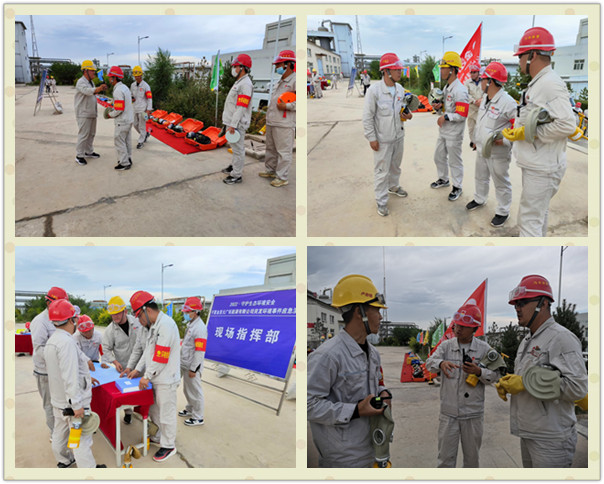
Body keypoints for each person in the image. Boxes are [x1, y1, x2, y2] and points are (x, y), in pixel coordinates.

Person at [496, 275, 588, 467]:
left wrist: (525, 383)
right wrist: (510, 383)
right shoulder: (527, 341)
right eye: (515, 304)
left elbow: (578, 388)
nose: (517, 308)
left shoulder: (561, 338)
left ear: (544, 303)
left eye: (522, 303)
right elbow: (528, 376)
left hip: (552, 439)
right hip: (530, 431)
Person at [501, 27, 579, 237]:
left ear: (532, 55)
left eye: (520, 56)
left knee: (528, 222)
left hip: (543, 167)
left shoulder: (549, 84)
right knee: (538, 216)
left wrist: (529, 133)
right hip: (539, 163)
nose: (519, 61)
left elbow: (567, 125)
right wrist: (522, 129)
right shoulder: (540, 83)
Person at [308, 274, 392, 468]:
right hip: (343, 458)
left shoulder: (373, 354)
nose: (380, 317)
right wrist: (355, 410)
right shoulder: (328, 356)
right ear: (359, 312)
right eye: (376, 310)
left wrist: (384, 392)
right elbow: (308, 404)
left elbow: (375, 384)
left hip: (372, 446)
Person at [425, 304, 501, 468]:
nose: (458, 329)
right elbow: (429, 363)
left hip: (473, 415)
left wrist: (479, 372)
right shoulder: (446, 346)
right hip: (449, 414)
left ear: (474, 328)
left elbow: (496, 375)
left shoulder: (484, 349)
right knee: (445, 461)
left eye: (464, 326)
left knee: (472, 461)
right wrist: (441, 363)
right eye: (457, 325)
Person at [45, 299, 105, 468]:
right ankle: (89, 470)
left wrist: (87, 374)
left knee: (60, 433)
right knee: (81, 438)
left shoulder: (53, 340)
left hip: (58, 400)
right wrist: (77, 404)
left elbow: (61, 371)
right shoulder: (67, 343)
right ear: (71, 320)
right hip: (72, 404)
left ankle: (64, 460)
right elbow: (69, 375)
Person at [126, 291, 180, 462]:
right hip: (156, 378)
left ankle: (169, 445)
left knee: (166, 413)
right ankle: (158, 436)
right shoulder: (153, 327)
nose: (139, 321)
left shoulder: (166, 326)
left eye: (139, 317)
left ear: (147, 310)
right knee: (155, 411)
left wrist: (147, 376)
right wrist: (137, 369)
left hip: (166, 379)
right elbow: (147, 352)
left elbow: (161, 357)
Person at [465, 62, 517, 228]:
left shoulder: (508, 103)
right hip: (482, 147)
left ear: (491, 82)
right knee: (480, 176)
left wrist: (505, 141)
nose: (480, 82)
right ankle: (480, 198)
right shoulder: (486, 99)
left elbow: (518, 129)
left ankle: (503, 210)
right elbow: (481, 123)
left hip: (498, 152)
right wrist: (476, 140)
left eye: (483, 79)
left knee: (500, 181)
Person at [362, 52, 412, 217]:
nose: (400, 72)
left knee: (395, 166)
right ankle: (381, 201)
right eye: (396, 69)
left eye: (400, 69)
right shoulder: (374, 91)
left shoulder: (400, 89)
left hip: (398, 136)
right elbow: (367, 117)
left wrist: (407, 115)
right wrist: (372, 138)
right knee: (382, 171)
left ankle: (393, 186)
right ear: (386, 71)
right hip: (382, 140)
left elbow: (403, 109)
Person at [430, 51, 470, 202]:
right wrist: (439, 108)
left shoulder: (460, 90)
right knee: (438, 156)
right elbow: (447, 108)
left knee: (454, 161)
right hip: (444, 131)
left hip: (454, 133)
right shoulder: (447, 88)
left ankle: (457, 186)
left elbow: (462, 114)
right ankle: (443, 179)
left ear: (452, 70)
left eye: (443, 68)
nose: (441, 71)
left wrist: (446, 116)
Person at [30, 286, 69, 439]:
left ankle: (62, 431)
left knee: (61, 403)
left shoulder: (60, 318)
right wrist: (57, 358)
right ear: (48, 303)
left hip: (59, 370)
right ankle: (55, 435)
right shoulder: (40, 322)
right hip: (45, 372)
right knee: (50, 405)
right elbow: (39, 348)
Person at [258, 50, 296, 188]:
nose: (276, 67)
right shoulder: (280, 81)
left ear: (288, 64)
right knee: (271, 149)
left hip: (284, 123)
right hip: (272, 121)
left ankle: (282, 177)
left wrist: (287, 106)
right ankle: (270, 170)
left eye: (279, 64)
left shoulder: (295, 80)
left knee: (283, 152)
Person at [102, 295, 142, 424]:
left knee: (143, 390)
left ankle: (143, 413)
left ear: (125, 311)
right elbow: (106, 348)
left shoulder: (137, 322)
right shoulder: (110, 330)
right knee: (127, 392)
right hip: (124, 366)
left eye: (117, 313)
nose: (115, 317)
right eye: (112, 314)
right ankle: (128, 412)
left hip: (141, 364)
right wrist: (114, 361)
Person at [221, 54, 254, 185]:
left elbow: (241, 107)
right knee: (235, 148)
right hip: (232, 122)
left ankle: (236, 175)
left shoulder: (246, 84)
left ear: (242, 68)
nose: (233, 69)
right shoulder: (239, 82)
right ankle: (234, 166)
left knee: (239, 149)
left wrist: (233, 125)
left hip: (238, 123)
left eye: (235, 66)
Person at [178, 297, 207, 427]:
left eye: (187, 311)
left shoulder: (200, 328)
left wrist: (194, 368)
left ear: (195, 312)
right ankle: (190, 409)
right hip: (186, 363)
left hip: (192, 366)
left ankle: (198, 417)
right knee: (187, 390)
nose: (185, 313)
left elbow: (200, 351)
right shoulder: (191, 324)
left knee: (195, 392)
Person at [74, 60, 107, 166]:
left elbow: (92, 90)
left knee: (92, 133)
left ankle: (88, 151)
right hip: (83, 113)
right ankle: (79, 155)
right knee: (83, 134)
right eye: (92, 70)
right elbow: (87, 91)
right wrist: (98, 88)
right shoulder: (81, 82)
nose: (94, 72)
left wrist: (99, 89)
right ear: (86, 71)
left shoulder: (90, 82)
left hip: (91, 112)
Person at [106, 66, 134, 171]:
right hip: (128, 120)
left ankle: (124, 163)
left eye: (110, 77)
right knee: (126, 141)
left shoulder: (118, 90)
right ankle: (128, 158)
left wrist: (110, 115)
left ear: (114, 78)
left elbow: (119, 109)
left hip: (122, 121)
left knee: (119, 141)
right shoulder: (125, 87)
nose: (109, 79)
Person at [130, 65, 153, 149]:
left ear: (141, 75)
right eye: (135, 76)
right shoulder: (132, 85)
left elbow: (149, 98)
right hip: (135, 107)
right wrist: (131, 98)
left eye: (138, 75)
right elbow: (131, 95)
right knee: (135, 124)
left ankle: (141, 141)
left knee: (142, 126)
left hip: (143, 109)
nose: (137, 77)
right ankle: (145, 134)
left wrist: (149, 109)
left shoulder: (146, 86)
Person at [464, 64, 483, 150]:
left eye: (474, 72)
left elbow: (487, 92)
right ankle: (473, 142)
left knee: (481, 127)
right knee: (471, 128)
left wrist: (482, 100)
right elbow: (465, 94)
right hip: (471, 110)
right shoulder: (467, 83)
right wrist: (474, 101)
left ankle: (479, 144)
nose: (472, 74)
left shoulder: (483, 82)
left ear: (478, 72)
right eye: (471, 72)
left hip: (481, 109)